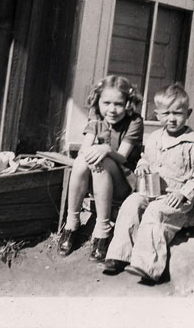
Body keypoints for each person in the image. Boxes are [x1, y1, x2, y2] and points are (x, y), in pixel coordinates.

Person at [102, 82, 194, 283]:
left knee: (154, 213)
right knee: (131, 203)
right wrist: (142, 164)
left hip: (175, 199)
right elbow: (146, 157)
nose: (172, 119)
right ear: (157, 115)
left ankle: (148, 265)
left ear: (189, 113)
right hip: (151, 191)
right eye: (166, 113)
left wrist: (184, 194)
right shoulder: (154, 138)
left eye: (177, 113)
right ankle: (119, 255)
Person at [58, 75, 143, 261]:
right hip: (98, 180)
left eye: (118, 104)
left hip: (123, 182)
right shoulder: (97, 117)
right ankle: (72, 223)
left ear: (128, 103)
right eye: (107, 103)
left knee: (100, 160)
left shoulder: (134, 121)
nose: (112, 109)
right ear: (98, 101)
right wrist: (91, 151)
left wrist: (105, 148)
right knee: (82, 161)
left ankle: (103, 230)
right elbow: (84, 149)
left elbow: (121, 156)